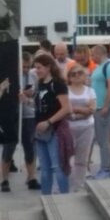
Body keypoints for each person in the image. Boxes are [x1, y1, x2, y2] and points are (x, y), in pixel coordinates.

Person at [31, 54, 72, 195]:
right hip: (40, 131)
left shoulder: (58, 84)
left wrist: (49, 122)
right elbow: (42, 106)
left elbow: (67, 108)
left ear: (48, 67)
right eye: (35, 68)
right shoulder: (40, 83)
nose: (37, 71)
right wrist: (27, 100)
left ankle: (65, 198)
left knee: (58, 167)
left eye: (39, 67)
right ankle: (46, 199)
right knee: (44, 169)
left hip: (55, 130)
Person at [3, 53, 39, 192]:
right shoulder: (9, 77)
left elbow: (37, 95)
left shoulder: (33, 76)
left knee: (30, 146)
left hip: (28, 115)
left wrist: (30, 94)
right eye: (23, 66)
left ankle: (31, 177)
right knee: (9, 148)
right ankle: (4, 179)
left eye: (28, 66)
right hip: (12, 116)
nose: (25, 69)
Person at [65, 65, 96, 192]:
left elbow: (92, 110)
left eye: (79, 73)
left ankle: (79, 183)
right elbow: (65, 110)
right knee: (66, 156)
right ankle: (67, 182)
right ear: (69, 77)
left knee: (82, 157)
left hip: (86, 127)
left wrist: (75, 110)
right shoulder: (66, 90)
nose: (76, 76)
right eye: (73, 74)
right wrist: (83, 109)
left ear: (84, 76)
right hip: (69, 127)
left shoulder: (90, 91)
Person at [90, 45, 110, 179]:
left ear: (98, 53)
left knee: (104, 138)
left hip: (104, 107)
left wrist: (106, 105)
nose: (91, 57)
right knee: (101, 139)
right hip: (98, 107)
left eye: (93, 55)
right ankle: (104, 167)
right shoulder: (98, 68)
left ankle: (106, 168)